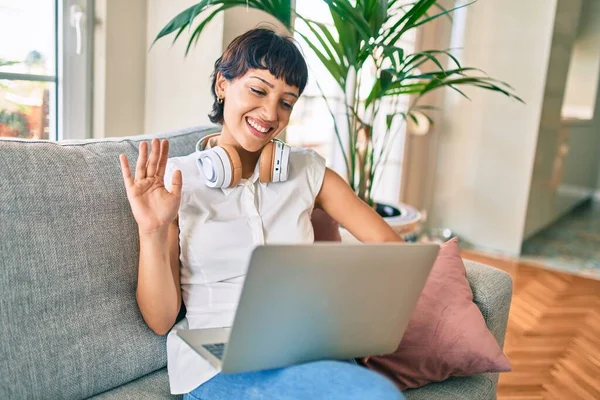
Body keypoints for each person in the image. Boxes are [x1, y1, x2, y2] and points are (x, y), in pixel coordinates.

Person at [119, 28, 405, 400]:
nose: (271, 113)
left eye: (286, 102)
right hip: (220, 364)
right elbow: (160, 321)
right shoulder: (175, 181)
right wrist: (152, 229)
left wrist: (358, 320)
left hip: (305, 345)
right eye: (258, 90)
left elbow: (390, 247)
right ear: (223, 84)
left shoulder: (309, 171)